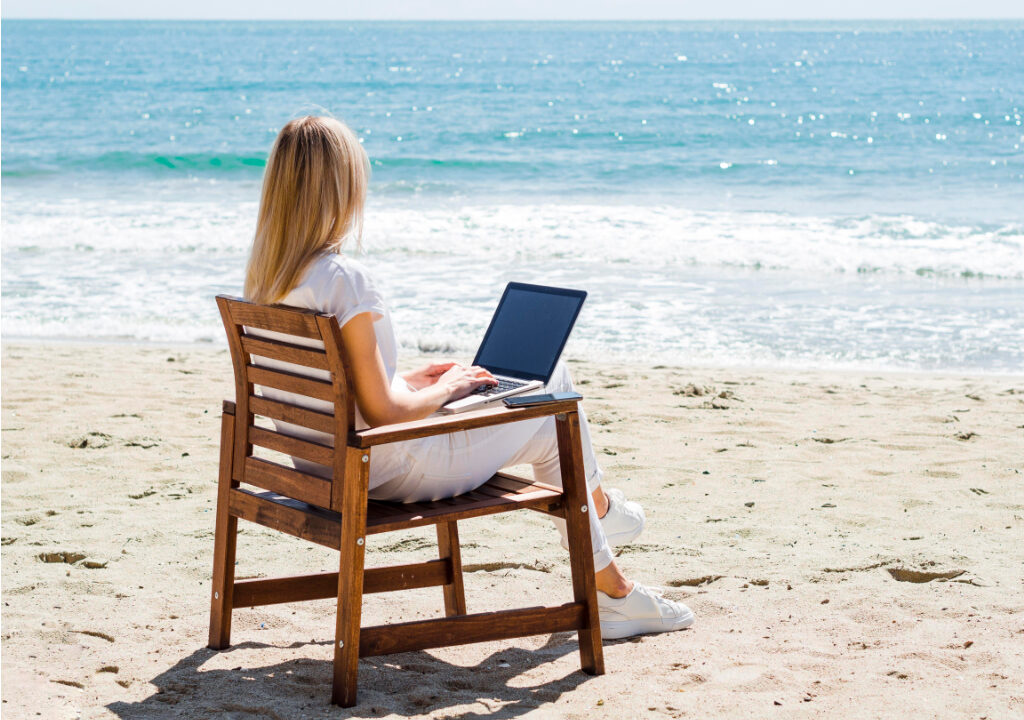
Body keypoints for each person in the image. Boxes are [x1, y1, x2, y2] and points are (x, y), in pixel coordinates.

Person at [244, 115, 694, 639]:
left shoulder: (267, 277)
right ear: (340, 189)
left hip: (322, 468)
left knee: (545, 401)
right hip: (388, 470)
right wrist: (450, 389)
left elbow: (343, 389)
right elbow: (385, 413)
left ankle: (605, 529)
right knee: (554, 400)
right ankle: (610, 573)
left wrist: (416, 378)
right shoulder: (344, 280)